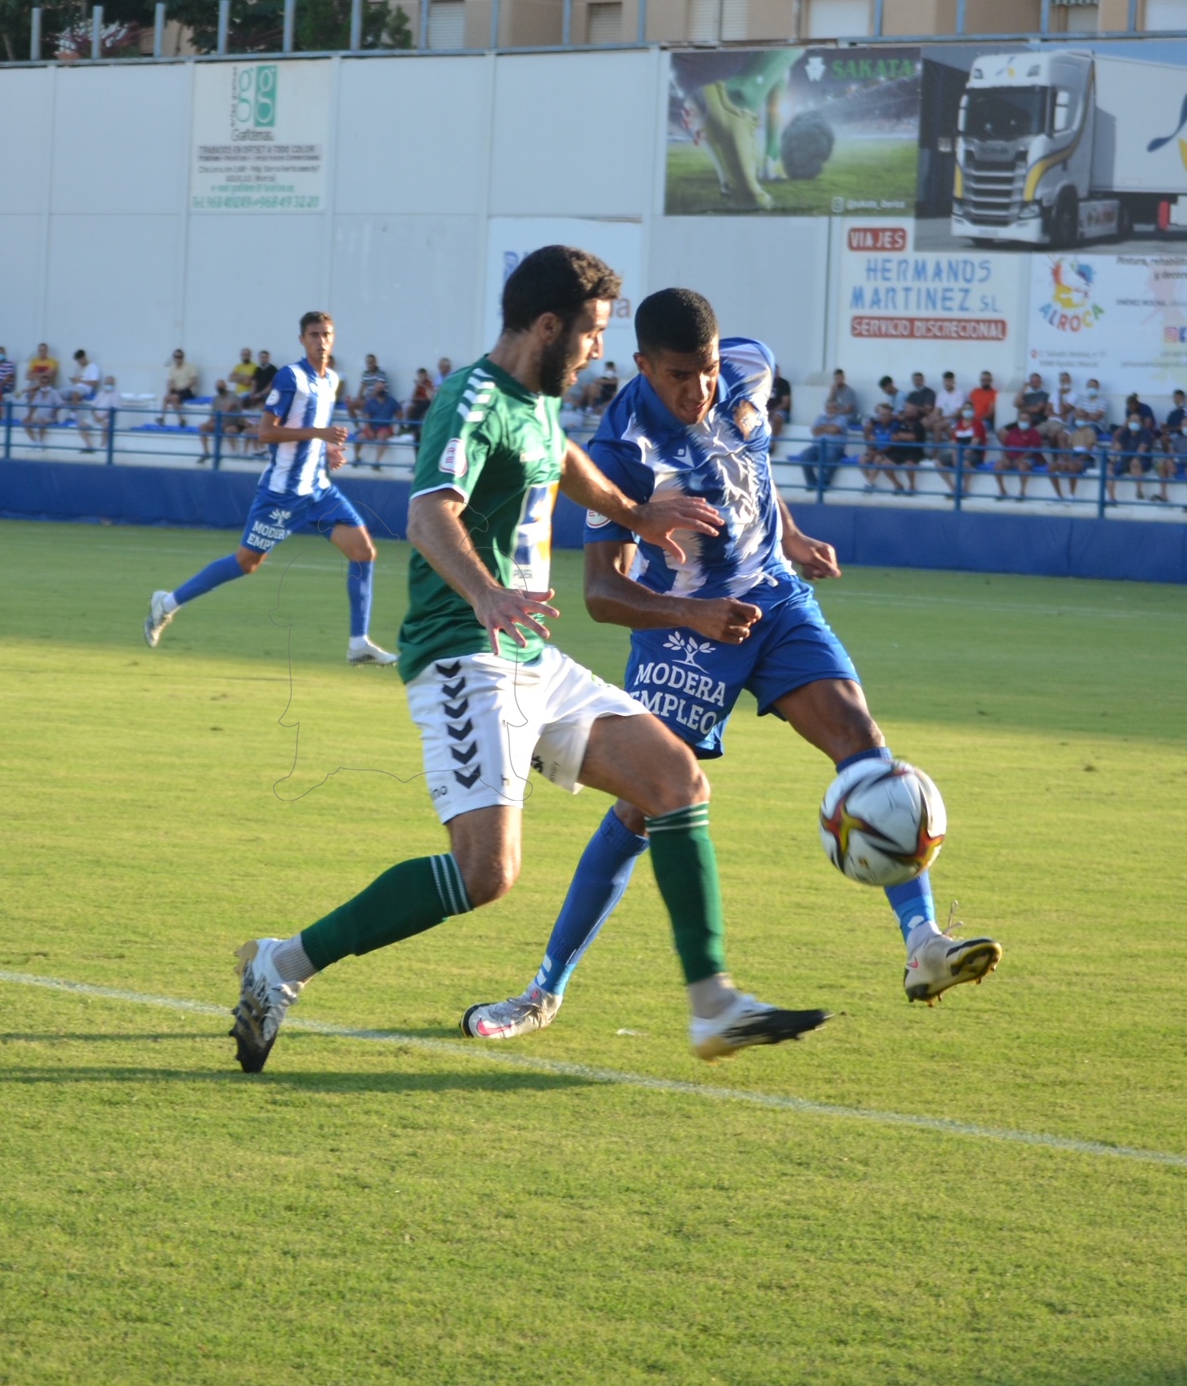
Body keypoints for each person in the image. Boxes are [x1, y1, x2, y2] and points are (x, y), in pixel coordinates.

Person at [226, 255, 828, 1074]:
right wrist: (484, 594)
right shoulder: (470, 402)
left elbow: (558, 455)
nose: (596, 351)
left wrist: (632, 512)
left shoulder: (536, 400)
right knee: (487, 874)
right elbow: (431, 511)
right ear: (549, 326)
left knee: (675, 779)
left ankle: (712, 1003)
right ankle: (282, 966)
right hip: (464, 656)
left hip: (528, 652)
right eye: (591, 334)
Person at [456, 286, 1000, 1044]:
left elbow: (753, 467)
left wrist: (790, 538)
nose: (699, 388)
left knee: (865, 749)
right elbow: (602, 593)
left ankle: (923, 944)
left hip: (773, 603)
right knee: (643, 810)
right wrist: (691, 613)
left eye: (706, 370)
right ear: (643, 365)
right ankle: (543, 990)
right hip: (685, 632)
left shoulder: (749, 367)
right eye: (680, 375)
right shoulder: (623, 450)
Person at [145, 311, 398, 667]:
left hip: (319, 490)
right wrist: (321, 435)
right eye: (313, 334)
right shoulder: (290, 377)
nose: (321, 340)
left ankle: (359, 643)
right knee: (246, 563)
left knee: (363, 552)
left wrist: (328, 448)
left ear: (333, 337)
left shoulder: (331, 381)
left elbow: (309, 427)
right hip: (282, 494)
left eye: (326, 334)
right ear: (302, 340)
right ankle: (167, 603)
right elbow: (266, 432)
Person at [1108, 411, 1154, 504]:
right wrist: (1112, 462)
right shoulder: (1125, 432)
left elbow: (1142, 448)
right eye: (1132, 420)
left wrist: (1136, 458)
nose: (1134, 422)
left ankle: (1139, 491)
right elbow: (1118, 447)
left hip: (1143, 461)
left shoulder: (1145, 432)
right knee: (1109, 469)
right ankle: (1112, 499)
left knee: (1135, 463)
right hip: (1125, 460)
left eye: (1136, 420)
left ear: (1141, 423)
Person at [359, 373, 401, 469]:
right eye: (378, 388)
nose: (380, 390)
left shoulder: (392, 401)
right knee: (360, 437)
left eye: (382, 388)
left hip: (385, 428)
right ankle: (357, 457)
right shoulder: (370, 402)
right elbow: (367, 416)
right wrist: (368, 429)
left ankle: (377, 462)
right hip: (373, 427)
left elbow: (399, 413)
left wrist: (395, 424)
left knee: (382, 437)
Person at [997, 413, 1044, 498]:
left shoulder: (1034, 433)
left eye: (1026, 420)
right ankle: (1002, 491)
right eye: (1022, 420)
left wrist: (1020, 459)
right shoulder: (1012, 432)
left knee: (1023, 466)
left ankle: (1022, 492)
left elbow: (1032, 450)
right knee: (998, 466)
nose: (1024, 422)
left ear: (1029, 421)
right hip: (1011, 458)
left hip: (1029, 458)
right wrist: (1005, 458)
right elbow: (1005, 447)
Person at [68, 350, 102, 450]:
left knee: (75, 394)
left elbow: (94, 382)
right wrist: (75, 380)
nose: (78, 363)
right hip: (76, 387)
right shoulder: (80, 368)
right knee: (59, 394)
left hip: (85, 389)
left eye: (79, 361)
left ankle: (72, 417)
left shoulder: (93, 367)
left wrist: (80, 381)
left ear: (83, 358)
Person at [163, 348, 199, 427]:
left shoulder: (190, 366)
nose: (179, 358)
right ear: (174, 358)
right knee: (166, 398)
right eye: (177, 357)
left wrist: (183, 388)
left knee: (174, 397)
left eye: (180, 357)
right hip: (177, 390)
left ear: (183, 357)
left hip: (187, 390)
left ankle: (181, 420)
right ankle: (162, 419)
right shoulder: (172, 368)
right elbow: (170, 382)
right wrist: (169, 392)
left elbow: (194, 381)